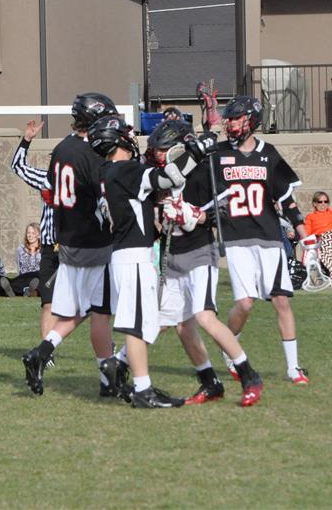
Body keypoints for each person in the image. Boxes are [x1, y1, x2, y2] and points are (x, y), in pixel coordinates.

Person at [102, 119, 264, 407]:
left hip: (200, 252)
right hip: (172, 255)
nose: (158, 155)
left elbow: (224, 209)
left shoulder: (202, 170)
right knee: (178, 324)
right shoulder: (156, 174)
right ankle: (209, 382)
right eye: (156, 150)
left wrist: (196, 216)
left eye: (163, 149)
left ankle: (249, 376)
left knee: (204, 317)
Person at [88, 114, 212, 408]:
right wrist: (198, 151)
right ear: (118, 140)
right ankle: (143, 390)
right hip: (133, 256)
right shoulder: (125, 170)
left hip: (128, 253)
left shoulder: (108, 172)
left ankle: (121, 368)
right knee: (136, 327)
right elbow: (170, 177)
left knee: (145, 322)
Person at [21, 93, 116, 397]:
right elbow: (105, 200)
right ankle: (109, 380)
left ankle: (42, 351)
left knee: (81, 309)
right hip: (93, 241)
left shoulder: (62, 148)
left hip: (67, 242)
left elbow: (51, 191)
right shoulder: (92, 153)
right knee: (100, 312)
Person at [215, 95, 310, 385]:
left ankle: (293, 368)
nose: (231, 124)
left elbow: (288, 201)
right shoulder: (218, 154)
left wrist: (306, 237)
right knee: (245, 304)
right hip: (236, 237)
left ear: (252, 120)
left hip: (268, 236)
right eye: (229, 119)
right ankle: (229, 347)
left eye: (237, 118)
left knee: (281, 300)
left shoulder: (268, 153)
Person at [11, 119, 59, 337]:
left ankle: (104, 348)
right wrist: (26, 140)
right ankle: (47, 349)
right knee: (48, 302)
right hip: (49, 249)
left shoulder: (82, 182)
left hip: (75, 249)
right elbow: (18, 167)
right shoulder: (45, 179)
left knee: (88, 304)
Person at [14, 223, 42, 296]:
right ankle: (29, 290)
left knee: (41, 281)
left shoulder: (44, 249)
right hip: (25, 277)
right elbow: (19, 268)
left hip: (38, 277)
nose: (30, 235)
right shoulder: (20, 249)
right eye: (28, 233)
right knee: (14, 282)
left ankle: (30, 291)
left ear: (39, 235)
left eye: (33, 233)